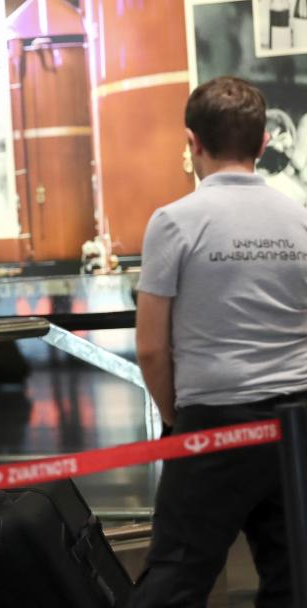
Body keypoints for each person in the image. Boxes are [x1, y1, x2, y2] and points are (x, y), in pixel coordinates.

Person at [131, 76, 307, 607]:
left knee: (177, 576)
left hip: (212, 423)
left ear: (192, 143)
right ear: (262, 143)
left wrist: (175, 419)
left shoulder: (174, 223)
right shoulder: (301, 220)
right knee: (293, 577)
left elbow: (151, 348)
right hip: (297, 425)